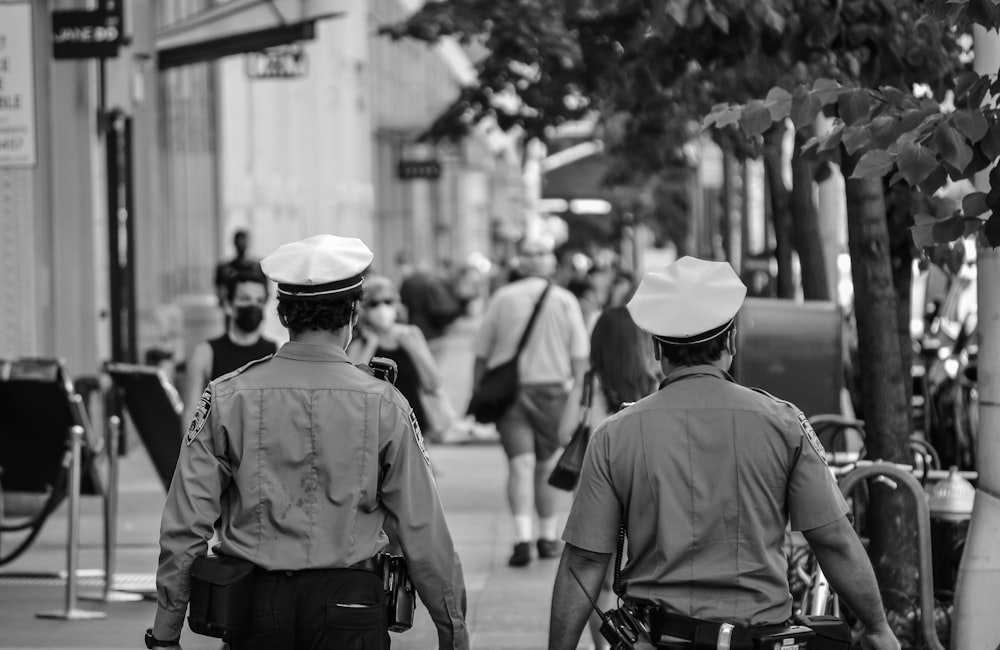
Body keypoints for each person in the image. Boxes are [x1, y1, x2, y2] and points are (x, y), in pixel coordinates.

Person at [548, 256, 899, 650]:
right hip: (759, 639)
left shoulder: (614, 435)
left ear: (657, 347)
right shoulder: (783, 423)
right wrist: (877, 627)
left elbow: (584, 563)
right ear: (731, 340)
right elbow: (833, 539)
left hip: (656, 638)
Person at [147, 234, 469, 650]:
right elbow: (423, 529)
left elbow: (185, 522)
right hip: (352, 607)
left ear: (282, 315)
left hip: (254, 610)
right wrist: (453, 632)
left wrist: (167, 630)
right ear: (353, 313)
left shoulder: (229, 396)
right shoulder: (384, 402)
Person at [472, 235, 590, 567]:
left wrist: (477, 391)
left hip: (510, 395)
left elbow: (481, 354)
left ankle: (522, 538)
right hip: (553, 393)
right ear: (551, 263)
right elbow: (580, 361)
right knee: (546, 464)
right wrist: (581, 403)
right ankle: (548, 537)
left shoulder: (502, 298)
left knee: (519, 465)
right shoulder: (566, 300)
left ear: (520, 263)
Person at [181, 271, 277, 431]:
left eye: (259, 300)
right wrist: (191, 454)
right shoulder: (205, 354)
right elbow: (191, 414)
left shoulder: (277, 353)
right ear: (228, 305)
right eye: (245, 299)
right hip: (220, 451)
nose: (253, 305)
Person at [347, 275, 442, 435]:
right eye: (374, 304)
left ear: (396, 304)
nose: (382, 308)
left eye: (388, 301)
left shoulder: (411, 334)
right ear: (364, 309)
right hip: (377, 425)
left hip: (413, 423)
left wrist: (411, 349)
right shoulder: (360, 341)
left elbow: (433, 384)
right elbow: (352, 387)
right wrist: (371, 344)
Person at [397, 252, 465, 342]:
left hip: (419, 331)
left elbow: (402, 308)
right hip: (436, 329)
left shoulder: (408, 282)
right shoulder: (429, 278)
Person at [214, 229, 264, 307]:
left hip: (252, 310)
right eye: (239, 241)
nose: (241, 244)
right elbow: (221, 291)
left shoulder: (257, 266)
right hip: (233, 309)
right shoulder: (224, 267)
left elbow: (264, 292)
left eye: (243, 241)